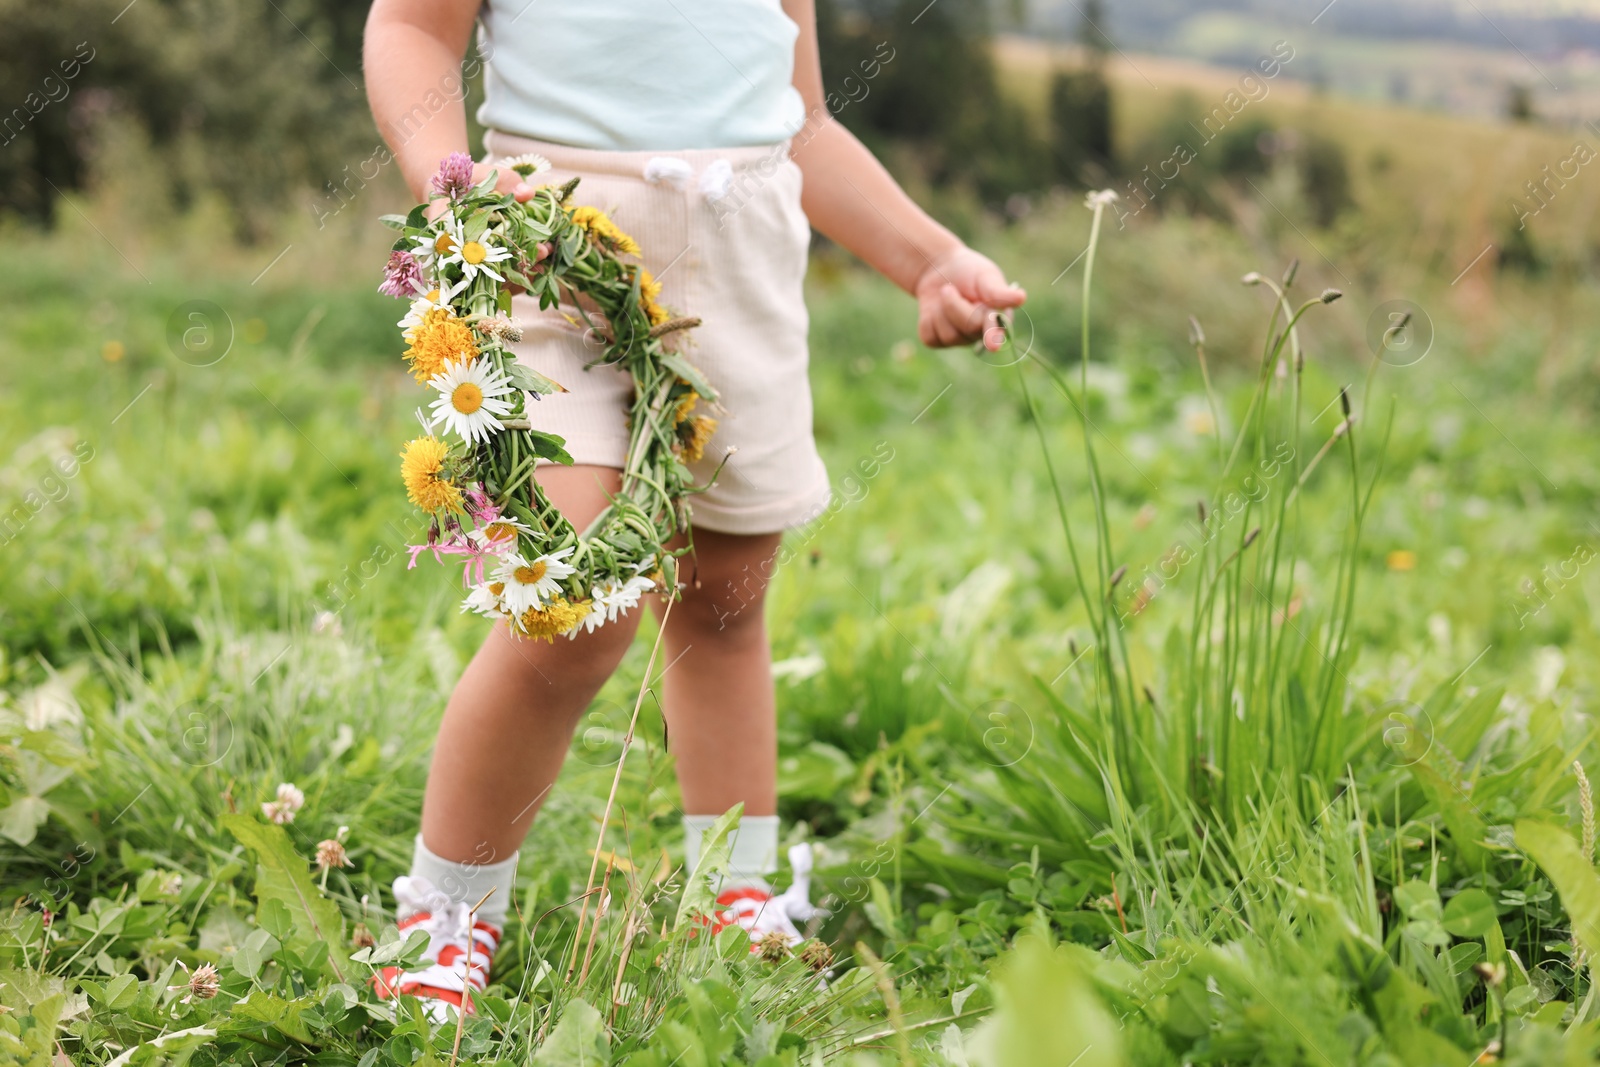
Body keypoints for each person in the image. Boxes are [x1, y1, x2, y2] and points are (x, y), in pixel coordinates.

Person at [362, 0, 1027, 1017]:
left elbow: (800, 120)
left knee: (722, 602)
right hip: (552, 260)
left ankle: (736, 888)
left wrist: (928, 258)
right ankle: (446, 910)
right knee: (568, 603)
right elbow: (410, 29)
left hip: (739, 274)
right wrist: (447, 176)